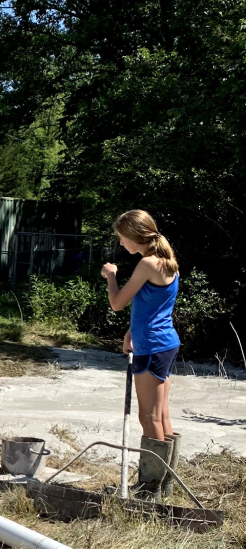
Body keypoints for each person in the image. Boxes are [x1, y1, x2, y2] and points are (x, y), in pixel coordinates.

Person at [101, 209, 180, 501]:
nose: (122, 244)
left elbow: (118, 303)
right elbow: (153, 307)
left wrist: (111, 277)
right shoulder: (167, 262)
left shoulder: (147, 264)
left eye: (123, 239)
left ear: (136, 236)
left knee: (149, 418)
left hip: (153, 346)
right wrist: (131, 333)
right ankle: (165, 486)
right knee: (162, 415)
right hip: (164, 343)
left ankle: (149, 491)